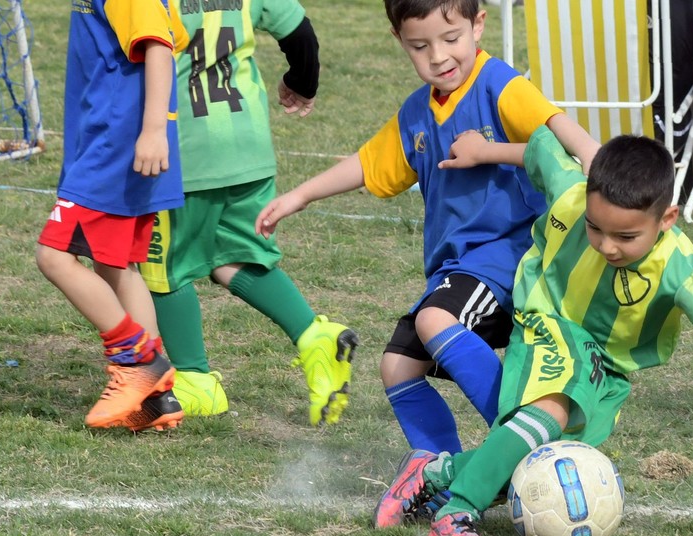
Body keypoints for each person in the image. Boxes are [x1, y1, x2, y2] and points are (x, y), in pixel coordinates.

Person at [373, 127, 693, 536]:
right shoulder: (573, 196)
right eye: (595, 229)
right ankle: (456, 514)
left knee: (541, 452)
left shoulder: (681, 271)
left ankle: (437, 473)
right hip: (549, 321)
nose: (606, 245)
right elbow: (541, 150)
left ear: (667, 219)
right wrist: (484, 150)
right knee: (555, 406)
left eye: (625, 235)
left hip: (608, 368)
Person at [255, 0, 598, 451]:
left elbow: (575, 151)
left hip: (512, 259)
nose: (437, 56)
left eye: (450, 39)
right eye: (420, 46)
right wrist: (299, 195)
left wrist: (489, 151)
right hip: (459, 269)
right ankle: (440, 469)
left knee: (435, 319)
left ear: (478, 25)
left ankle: (526, 441)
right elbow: (368, 163)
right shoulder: (417, 112)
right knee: (398, 365)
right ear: (399, 40)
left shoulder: (502, 86)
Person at [140, 0, 357, 426]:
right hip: (248, 145)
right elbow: (300, 34)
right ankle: (315, 336)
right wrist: (302, 82)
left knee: (166, 267)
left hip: (186, 151)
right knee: (235, 254)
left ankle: (194, 380)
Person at [35, 0, 186, 432]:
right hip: (107, 136)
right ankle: (157, 398)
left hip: (119, 141)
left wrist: (154, 131)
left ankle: (136, 361)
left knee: (53, 256)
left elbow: (160, 45)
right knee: (114, 264)